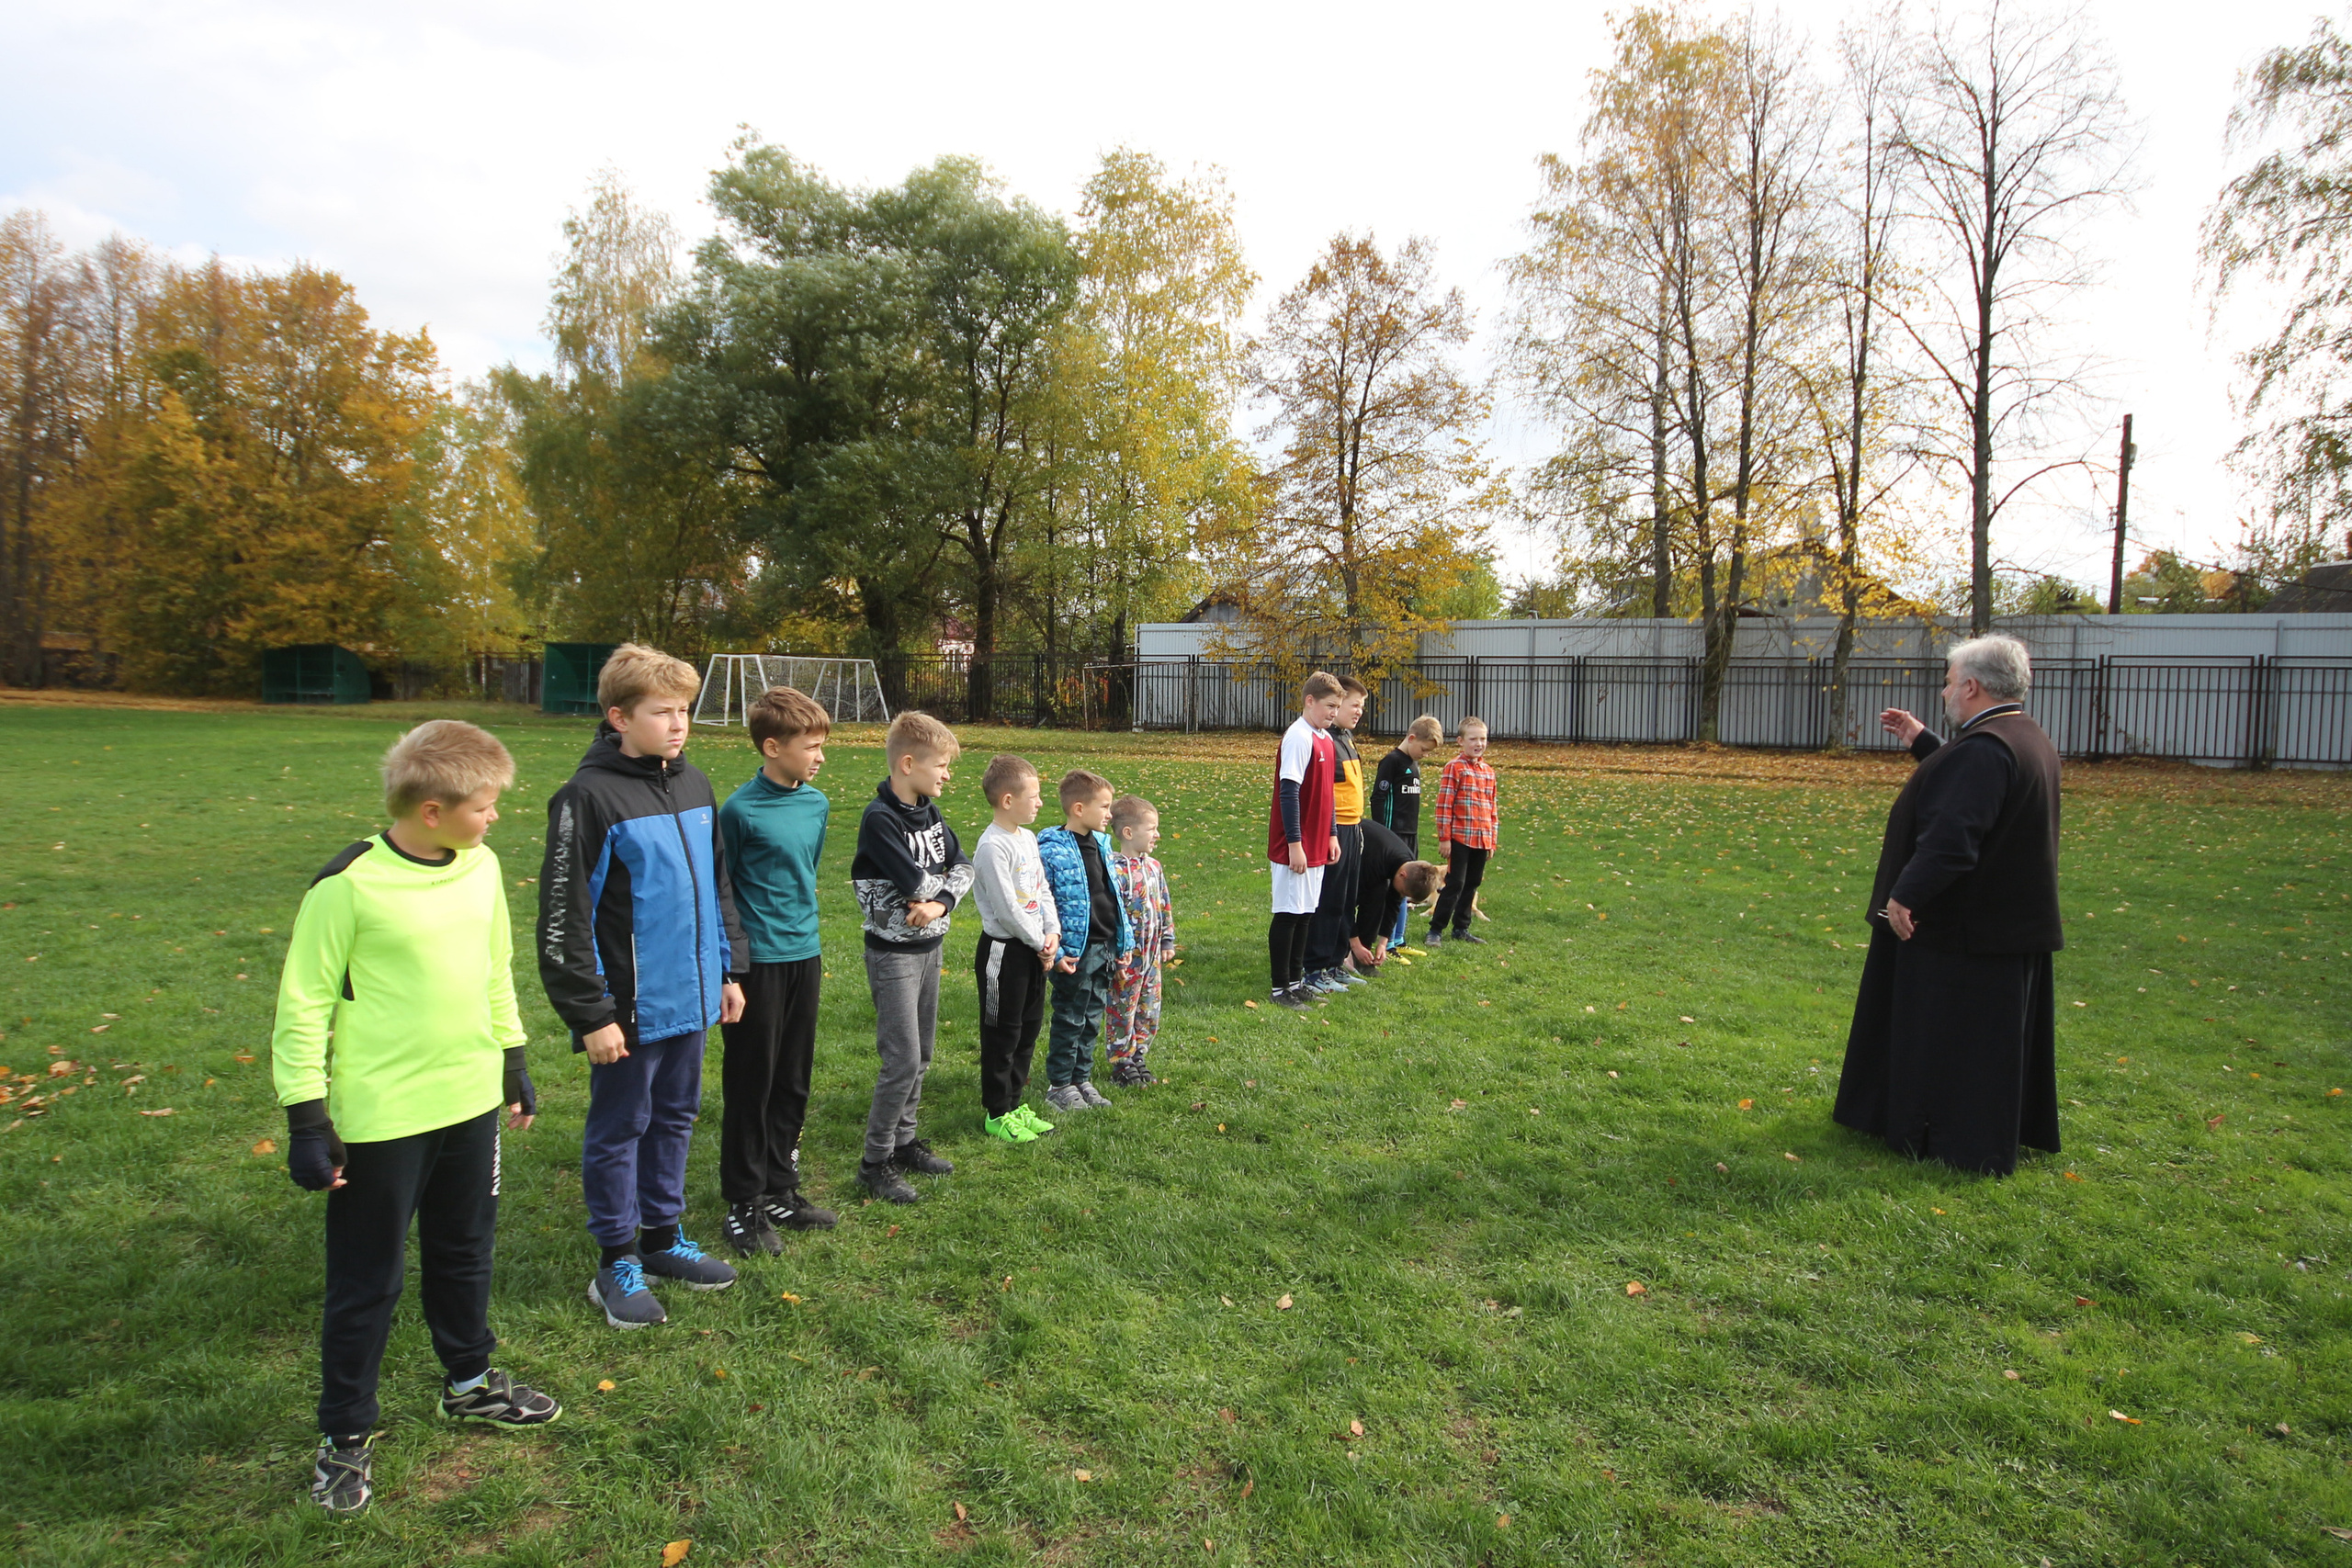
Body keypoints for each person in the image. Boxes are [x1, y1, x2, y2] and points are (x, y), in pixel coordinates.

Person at [276, 720, 559, 1515]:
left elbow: (494, 967)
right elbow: (301, 1010)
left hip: (469, 1103)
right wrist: (306, 1116)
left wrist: (512, 1058)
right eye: (484, 804)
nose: (496, 817)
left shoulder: (481, 864)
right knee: (368, 1279)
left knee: (465, 1249)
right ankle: (344, 1436)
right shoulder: (348, 886)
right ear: (430, 809)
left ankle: (468, 1382)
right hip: (382, 1118)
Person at [539, 644, 747, 1330]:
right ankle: (617, 1259)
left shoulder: (694, 785)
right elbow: (563, 917)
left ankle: (662, 1238)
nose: (679, 723)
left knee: (675, 1117)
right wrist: (591, 1011)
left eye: (684, 709)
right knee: (620, 1127)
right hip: (625, 1012)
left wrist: (727, 968)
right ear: (618, 717)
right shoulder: (587, 797)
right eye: (662, 712)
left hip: (690, 998)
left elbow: (718, 885)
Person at [1832, 635, 2064, 1177]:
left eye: (1948, 680)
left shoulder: (1986, 748)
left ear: (1971, 685)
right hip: (2003, 927)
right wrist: (1922, 740)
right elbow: (1971, 781)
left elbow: (1953, 836)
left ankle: (1944, 1134)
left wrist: (1905, 895)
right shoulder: (2023, 737)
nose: (1944, 691)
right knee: (1992, 1041)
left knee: (1951, 1037)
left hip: (1963, 931)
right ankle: (1978, 1127)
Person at [714, 686, 839, 1258]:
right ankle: (743, 1202)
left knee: (792, 1078)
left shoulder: (815, 804)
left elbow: (803, 872)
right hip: (756, 965)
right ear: (771, 747)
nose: (818, 757)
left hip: (803, 958)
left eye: (821, 746)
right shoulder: (739, 811)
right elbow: (725, 893)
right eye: (810, 746)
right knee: (751, 1082)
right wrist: (730, 972)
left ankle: (781, 1186)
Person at [850, 711, 974, 1202]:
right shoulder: (880, 819)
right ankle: (874, 1161)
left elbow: (962, 868)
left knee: (921, 1055)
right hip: (893, 957)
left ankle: (905, 1142)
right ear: (908, 763)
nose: (947, 774)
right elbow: (918, 881)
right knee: (900, 1059)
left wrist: (940, 902)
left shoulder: (932, 813)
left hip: (929, 947)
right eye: (941, 765)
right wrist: (937, 889)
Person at [969, 753, 1061, 1145]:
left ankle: (1017, 1104)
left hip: (1034, 949)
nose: (1040, 802)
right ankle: (997, 1111)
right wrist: (1040, 942)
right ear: (1008, 800)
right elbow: (1007, 910)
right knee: (1002, 1034)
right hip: (1004, 953)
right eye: (1034, 796)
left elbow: (1040, 890)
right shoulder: (993, 847)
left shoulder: (1027, 839)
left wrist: (1052, 932)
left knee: (1028, 1030)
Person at [1037, 770, 1134, 1111]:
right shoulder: (1051, 851)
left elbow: (1115, 898)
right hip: (1074, 954)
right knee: (1070, 1016)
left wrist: (1123, 944)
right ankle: (1060, 1084)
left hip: (1105, 949)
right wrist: (1058, 950)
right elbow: (1041, 905)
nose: (1110, 814)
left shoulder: (1104, 846)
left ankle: (1082, 1079)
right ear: (1078, 809)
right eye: (1104, 806)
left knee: (1093, 1016)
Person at [1267, 672, 1344, 1010]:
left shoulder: (1325, 738)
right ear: (1309, 701)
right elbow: (1289, 792)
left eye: (1337, 707)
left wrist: (1331, 833)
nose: (1333, 712)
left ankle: (1297, 981)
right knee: (1288, 912)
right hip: (1294, 846)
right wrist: (1295, 844)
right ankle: (1279, 988)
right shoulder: (1298, 737)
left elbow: (1326, 794)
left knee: (1305, 913)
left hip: (1316, 842)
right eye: (1329, 706)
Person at [1305, 677, 1372, 993]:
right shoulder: (1325, 740)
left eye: (1362, 706)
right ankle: (1315, 968)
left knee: (1346, 901)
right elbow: (1325, 793)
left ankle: (1335, 963)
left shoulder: (1346, 738)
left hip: (1352, 827)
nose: (1359, 711)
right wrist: (1332, 832)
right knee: (1329, 900)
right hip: (1335, 832)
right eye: (1354, 705)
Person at [1104, 794, 1176, 1087]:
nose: (1157, 834)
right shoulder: (1113, 870)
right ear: (1128, 833)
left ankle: (1138, 1052)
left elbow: (1163, 905)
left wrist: (1167, 940)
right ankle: (1121, 1059)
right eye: (1152, 829)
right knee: (1123, 1008)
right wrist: (1114, 955)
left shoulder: (1154, 867)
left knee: (1149, 1007)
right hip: (1127, 960)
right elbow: (1108, 917)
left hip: (1151, 960)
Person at [1372, 715, 1441, 953]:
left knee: (1408, 889)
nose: (1425, 754)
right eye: (1423, 749)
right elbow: (1378, 797)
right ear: (1411, 738)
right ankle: (1387, 943)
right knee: (1396, 887)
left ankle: (1399, 940)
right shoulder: (1392, 762)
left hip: (1410, 834)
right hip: (1394, 834)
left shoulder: (1413, 762)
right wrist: (1382, 833)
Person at [1426, 716, 1497, 946]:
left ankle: (1461, 928)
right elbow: (1444, 805)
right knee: (1455, 882)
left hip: (1481, 838)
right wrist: (1444, 838)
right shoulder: (1454, 768)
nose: (1479, 743)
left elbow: (1492, 808)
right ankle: (1436, 929)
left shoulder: (1488, 772)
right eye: (1473, 738)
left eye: (1483, 739)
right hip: (1460, 838)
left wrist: (1492, 841)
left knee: (1472, 883)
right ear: (1460, 741)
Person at [1347, 819, 1444, 976]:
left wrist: (1383, 943)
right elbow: (1345, 903)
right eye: (1404, 892)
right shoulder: (1373, 862)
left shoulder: (1410, 865)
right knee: (1368, 897)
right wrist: (1355, 945)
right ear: (1402, 875)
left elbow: (1393, 903)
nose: (1403, 897)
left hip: (1374, 862)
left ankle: (1363, 960)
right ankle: (1340, 957)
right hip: (1345, 848)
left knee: (1377, 898)